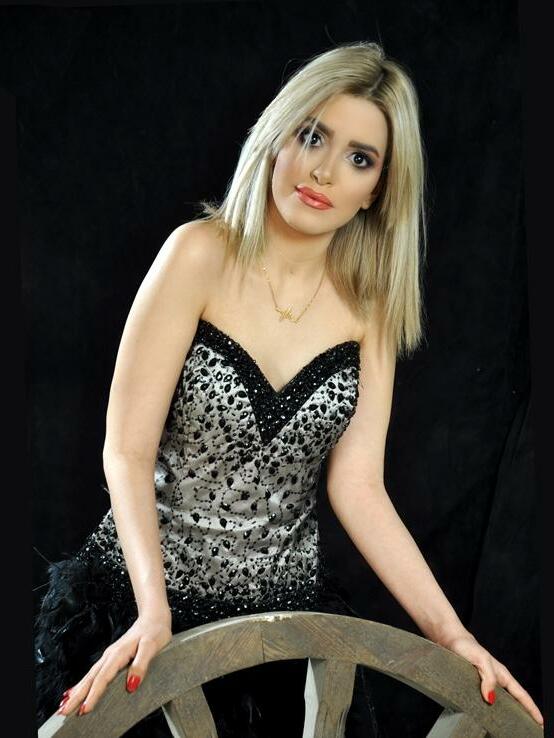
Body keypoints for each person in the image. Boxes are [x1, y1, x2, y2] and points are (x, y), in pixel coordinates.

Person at [33, 40, 544, 736]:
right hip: (140, 604)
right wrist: (155, 612)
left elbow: (359, 487)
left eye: (359, 159)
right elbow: (126, 450)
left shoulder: (369, 311)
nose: (324, 170)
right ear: (278, 136)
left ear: (378, 189)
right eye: (312, 136)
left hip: (284, 639)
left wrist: (453, 635)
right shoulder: (197, 253)